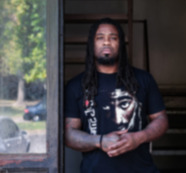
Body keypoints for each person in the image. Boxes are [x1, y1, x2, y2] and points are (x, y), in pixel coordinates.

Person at [64, 17, 168, 173]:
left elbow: (161, 119)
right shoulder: (76, 86)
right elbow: (69, 134)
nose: (106, 42)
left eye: (113, 37)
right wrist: (99, 141)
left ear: (121, 44)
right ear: (92, 44)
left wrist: (138, 138)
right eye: (100, 38)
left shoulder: (143, 79)